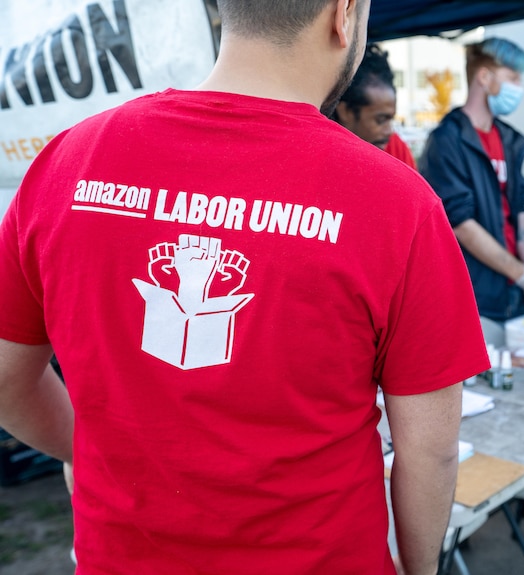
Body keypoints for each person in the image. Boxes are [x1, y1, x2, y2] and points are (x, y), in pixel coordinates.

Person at [0, 1, 491, 574]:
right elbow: (428, 449)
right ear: (344, 14)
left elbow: (8, 380)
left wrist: (81, 446)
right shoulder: (396, 204)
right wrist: (420, 567)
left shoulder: (68, 162)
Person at [419, 37, 524, 323]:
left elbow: (519, 207)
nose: (519, 88)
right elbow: (460, 224)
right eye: (513, 78)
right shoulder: (447, 140)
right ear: (484, 76)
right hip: (474, 296)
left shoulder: (510, 139)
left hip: (512, 295)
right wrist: (521, 274)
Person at [333, 43, 417, 168]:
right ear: (345, 112)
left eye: (391, 119)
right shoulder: (323, 153)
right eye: (381, 120)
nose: (389, 131)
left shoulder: (396, 148)